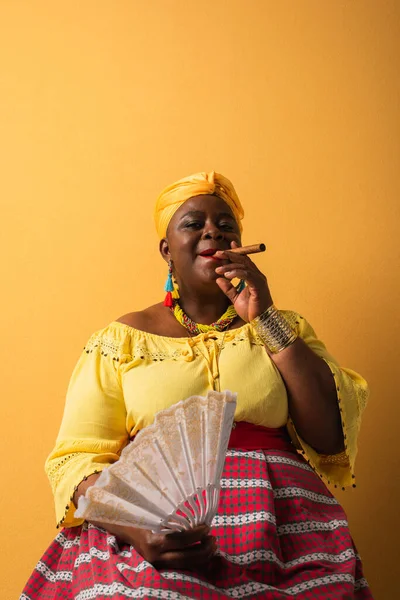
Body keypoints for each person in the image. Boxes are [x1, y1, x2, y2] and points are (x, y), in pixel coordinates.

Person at [21, 171, 373, 599]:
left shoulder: (283, 326)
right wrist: (140, 530)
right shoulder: (121, 340)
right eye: (194, 223)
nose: (213, 231)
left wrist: (264, 317)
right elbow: (74, 462)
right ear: (166, 250)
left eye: (227, 225)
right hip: (155, 526)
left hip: (282, 528)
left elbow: (329, 436)